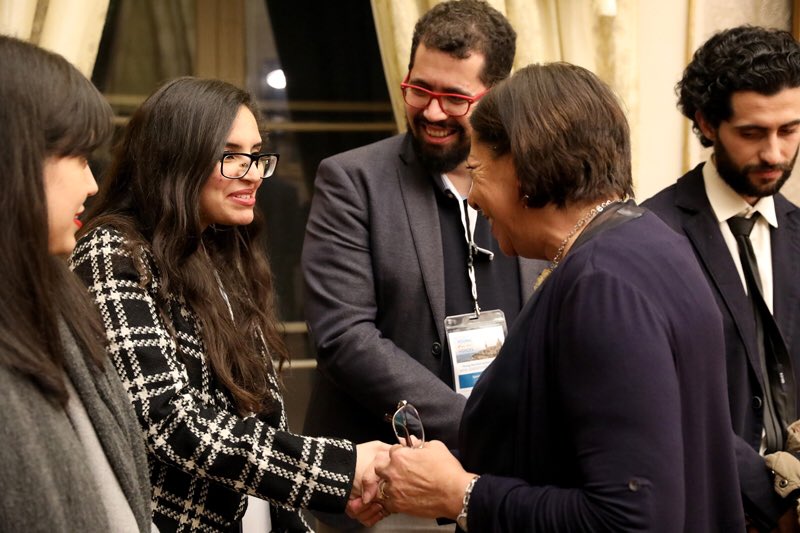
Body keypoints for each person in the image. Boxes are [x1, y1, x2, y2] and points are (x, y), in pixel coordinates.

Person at [361, 62, 746, 532]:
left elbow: (628, 519)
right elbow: (568, 449)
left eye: (476, 171)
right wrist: (442, 472)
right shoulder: (651, 242)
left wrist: (460, 494)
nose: (473, 198)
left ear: (522, 167)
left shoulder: (603, 283)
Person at [69, 76, 388, 533]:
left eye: (256, 154)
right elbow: (169, 421)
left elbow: (257, 416)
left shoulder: (221, 246)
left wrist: (320, 489)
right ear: (176, 157)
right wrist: (337, 470)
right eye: (232, 155)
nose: (254, 173)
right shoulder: (113, 251)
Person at [302, 5, 542, 529]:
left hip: (508, 486)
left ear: (497, 94)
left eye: (454, 98)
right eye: (419, 89)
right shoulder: (352, 181)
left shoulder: (533, 182)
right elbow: (344, 336)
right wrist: (479, 427)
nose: (432, 112)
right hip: (382, 490)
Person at [644, 25, 800, 531]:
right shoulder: (650, 234)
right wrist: (771, 501)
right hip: (705, 510)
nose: (774, 154)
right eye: (752, 133)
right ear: (706, 123)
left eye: (789, 130)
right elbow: (665, 399)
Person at [0, 36, 152, 532]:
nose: (92, 184)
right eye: (80, 157)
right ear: (18, 158)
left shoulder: (55, 296)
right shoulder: (107, 255)